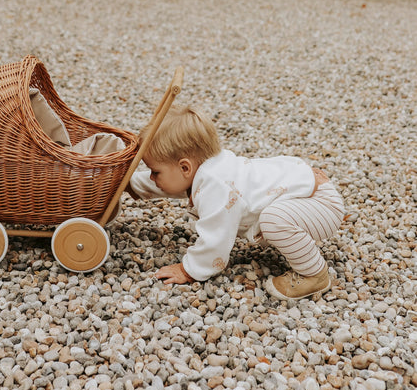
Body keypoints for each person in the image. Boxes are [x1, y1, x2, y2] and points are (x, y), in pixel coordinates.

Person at [128, 104, 345, 300]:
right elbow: (168, 184)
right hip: (309, 195)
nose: (152, 178)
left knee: (273, 220)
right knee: (274, 217)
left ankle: (315, 274)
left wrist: (189, 269)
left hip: (321, 205)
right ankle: (302, 253)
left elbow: (216, 238)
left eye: (155, 172)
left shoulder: (217, 186)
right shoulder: (205, 170)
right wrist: (128, 184)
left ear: (185, 168)